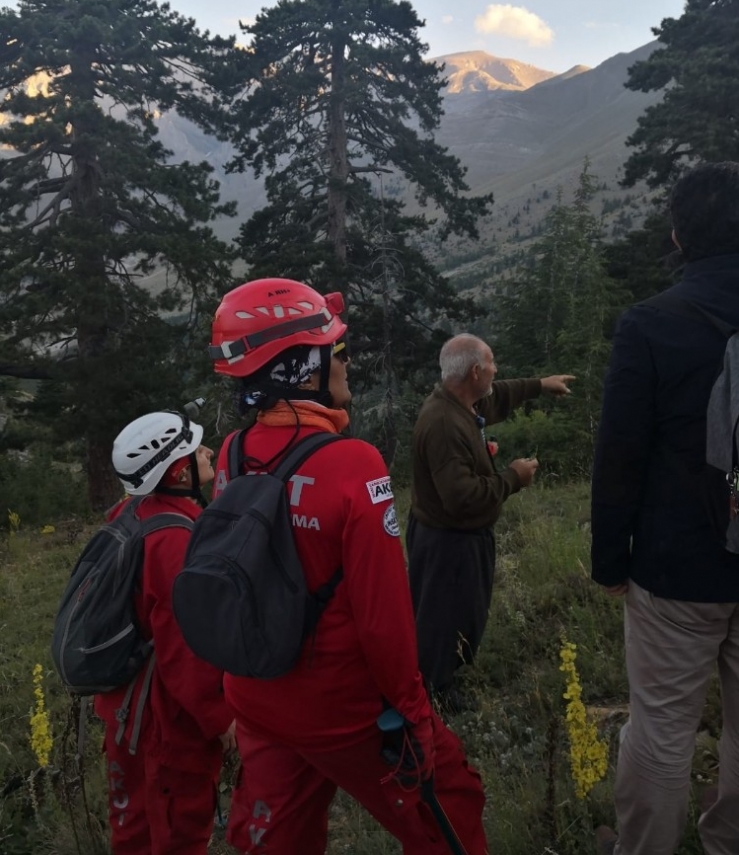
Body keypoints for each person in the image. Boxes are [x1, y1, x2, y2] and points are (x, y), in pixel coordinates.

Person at [206, 277, 488, 855]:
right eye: (335, 349)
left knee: (275, 840)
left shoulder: (233, 454)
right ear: (299, 365)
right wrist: (415, 719)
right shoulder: (353, 464)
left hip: (256, 696)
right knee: (451, 808)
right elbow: (385, 620)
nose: (346, 360)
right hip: (341, 711)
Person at [591, 162, 739, 855]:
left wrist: (609, 560)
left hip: (676, 566)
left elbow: (619, 454)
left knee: (660, 726)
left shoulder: (651, 325)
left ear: (679, 234)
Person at [407, 333, 574, 709]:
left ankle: (441, 685)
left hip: (452, 538)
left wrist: (540, 386)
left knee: (459, 613)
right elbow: (462, 498)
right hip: (447, 543)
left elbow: (497, 397)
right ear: (475, 371)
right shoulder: (446, 424)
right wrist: (514, 477)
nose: (497, 371)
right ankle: (434, 697)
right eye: (492, 364)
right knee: (441, 620)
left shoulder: (460, 401)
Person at [95, 411, 235, 855]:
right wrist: (221, 720)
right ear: (178, 470)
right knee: (180, 835)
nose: (210, 451)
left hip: (123, 712)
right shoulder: (175, 540)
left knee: (132, 830)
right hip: (166, 727)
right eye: (197, 448)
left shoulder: (128, 513)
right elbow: (185, 650)